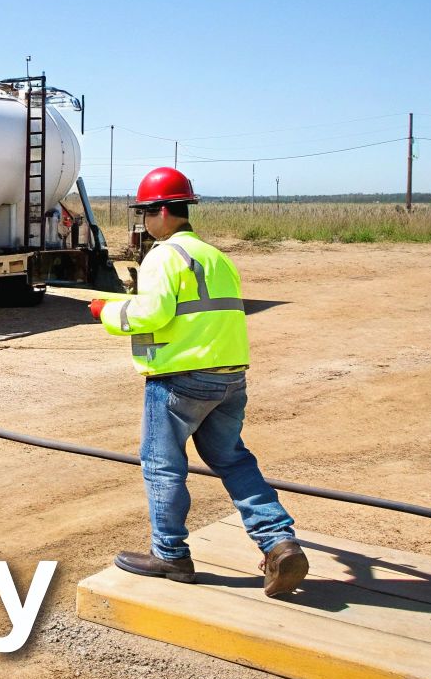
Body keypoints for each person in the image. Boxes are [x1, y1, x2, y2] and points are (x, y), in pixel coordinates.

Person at [87, 167, 307, 598]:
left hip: (180, 380)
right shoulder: (215, 257)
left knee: (162, 464)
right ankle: (279, 542)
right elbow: (195, 310)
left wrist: (105, 313)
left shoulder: (163, 256)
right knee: (234, 461)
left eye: (147, 213)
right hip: (228, 377)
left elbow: (152, 315)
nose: (145, 223)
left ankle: (170, 553)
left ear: (165, 212)